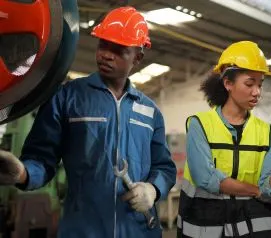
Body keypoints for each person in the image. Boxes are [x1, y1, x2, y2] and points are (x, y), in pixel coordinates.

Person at [0, 6, 176, 238]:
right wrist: (23, 173)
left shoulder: (150, 111)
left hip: (139, 230)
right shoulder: (67, 98)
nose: (106, 54)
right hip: (83, 230)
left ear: (138, 58)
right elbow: (42, 158)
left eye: (119, 49)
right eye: (103, 44)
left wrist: (153, 190)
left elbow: (164, 167)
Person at [177, 41, 271, 238]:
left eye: (260, 84)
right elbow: (206, 177)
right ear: (228, 83)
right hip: (205, 228)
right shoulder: (199, 125)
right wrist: (256, 191)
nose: (257, 92)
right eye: (249, 84)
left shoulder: (266, 132)